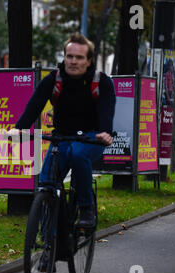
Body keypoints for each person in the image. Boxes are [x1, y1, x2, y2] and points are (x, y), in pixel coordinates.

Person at [15, 33, 116, 228]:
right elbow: (35, 104)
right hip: (62, 137)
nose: (73, 61)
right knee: (47, 184)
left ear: (88, 61)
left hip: (91, 137)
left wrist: (105, 132)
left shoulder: (101, 82)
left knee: (78, 154)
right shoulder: (54, 79)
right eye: (69, 56)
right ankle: (48, 245)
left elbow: (106, 109)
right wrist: (18, 129)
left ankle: (86, 209)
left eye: (79, 57)